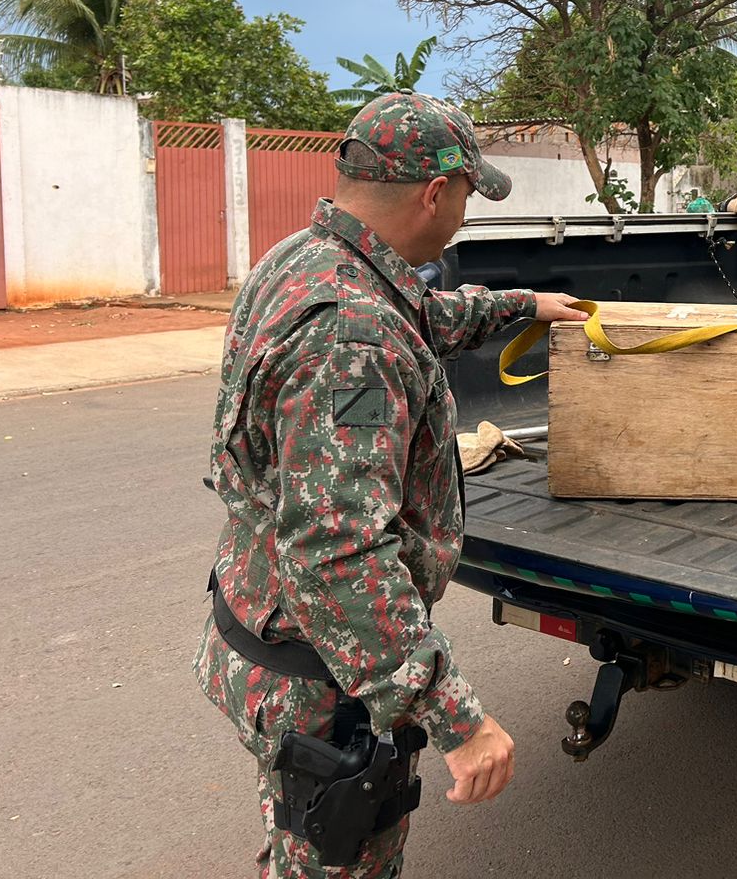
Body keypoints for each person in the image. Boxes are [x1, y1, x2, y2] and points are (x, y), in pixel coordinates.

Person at [194, 91, 588, 877]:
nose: (466, 215)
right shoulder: (353, 339)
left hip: (263, 629)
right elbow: (339, 555)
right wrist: (458, 719)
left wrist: (521, 305)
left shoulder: (308, 259)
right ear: (435, 192)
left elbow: (420, 316)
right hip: (324, 675)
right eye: (470, 195)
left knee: (299, 844)